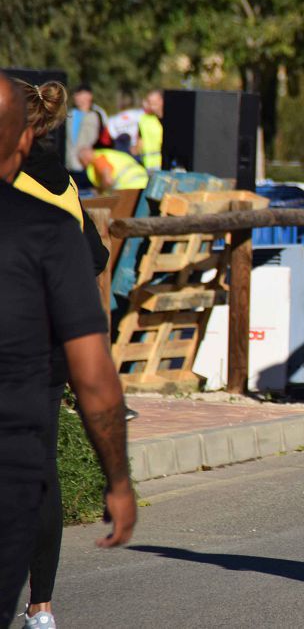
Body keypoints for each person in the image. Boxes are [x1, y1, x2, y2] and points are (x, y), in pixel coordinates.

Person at [0, 70, 135, 628]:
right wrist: (118, 477)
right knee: (39, 475)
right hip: (40, 360)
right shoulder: (57, 182)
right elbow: (95, 258)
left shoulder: (36, 186)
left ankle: (40, 606)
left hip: (32, 357)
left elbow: (87, 257)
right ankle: (41, 608)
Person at [64, 84, 102, 185]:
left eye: (80, 94)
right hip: (69, 165)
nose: (76, 97)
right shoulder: (69, 114)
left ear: (89, 96)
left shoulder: (96, 115)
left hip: (86, 166)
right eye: (76, 94)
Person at [77, 146, 149, 192]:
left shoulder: (98, 159)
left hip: (132, 187)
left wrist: (100, 191)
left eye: (81, 162)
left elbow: (108, 180)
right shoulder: (107, 153)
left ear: (84, 159)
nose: (82, 166)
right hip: (144, 181)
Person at [133, 89, 164, 170]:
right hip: (146, 165)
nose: (151, 106)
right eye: (149, 103)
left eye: (154, 103)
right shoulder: (144, 119)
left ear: (161, 101)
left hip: (163, 165)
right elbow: (140, 141)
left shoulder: (168, 119)